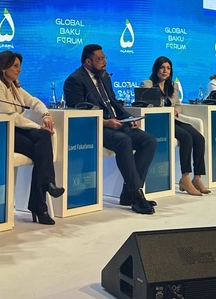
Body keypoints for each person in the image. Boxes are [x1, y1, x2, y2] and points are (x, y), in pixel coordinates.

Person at [64, 44, 157, 214]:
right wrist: (106, 123)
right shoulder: (75, 80)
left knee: (149, 140)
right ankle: (137, 195)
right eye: (99, 59)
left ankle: (130, 192)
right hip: (95, 128)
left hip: (117, 124)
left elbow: (113, 102)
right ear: (88, 61)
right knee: (124, 141)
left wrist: (129, 118)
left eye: (104, 58)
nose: (104, 62)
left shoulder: (105, 76)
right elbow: (79, 113)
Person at [0, 51, 65, 225]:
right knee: (42, 146)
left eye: (19, 66)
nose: (19, 70)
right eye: (15, 66)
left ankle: (43, 196)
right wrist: (38, 126)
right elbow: (10, 116)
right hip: (1, 133)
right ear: (3, 68)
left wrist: (45, 115)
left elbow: (34, 101)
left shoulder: (13, 86)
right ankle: (41, 201)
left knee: (42, 145)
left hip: (15, 130)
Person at [141, 57, 209, 196]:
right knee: (186, 138)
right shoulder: (147, 84)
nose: (165, 71)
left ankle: (197, 178)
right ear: (156, 69)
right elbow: (143, 105)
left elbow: (178, 105)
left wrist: (176, 110)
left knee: (199, 138)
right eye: (162, 67)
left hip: (172, 119)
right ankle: (185, 178)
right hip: (158, 122)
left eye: (168, 68)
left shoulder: (173, 85)